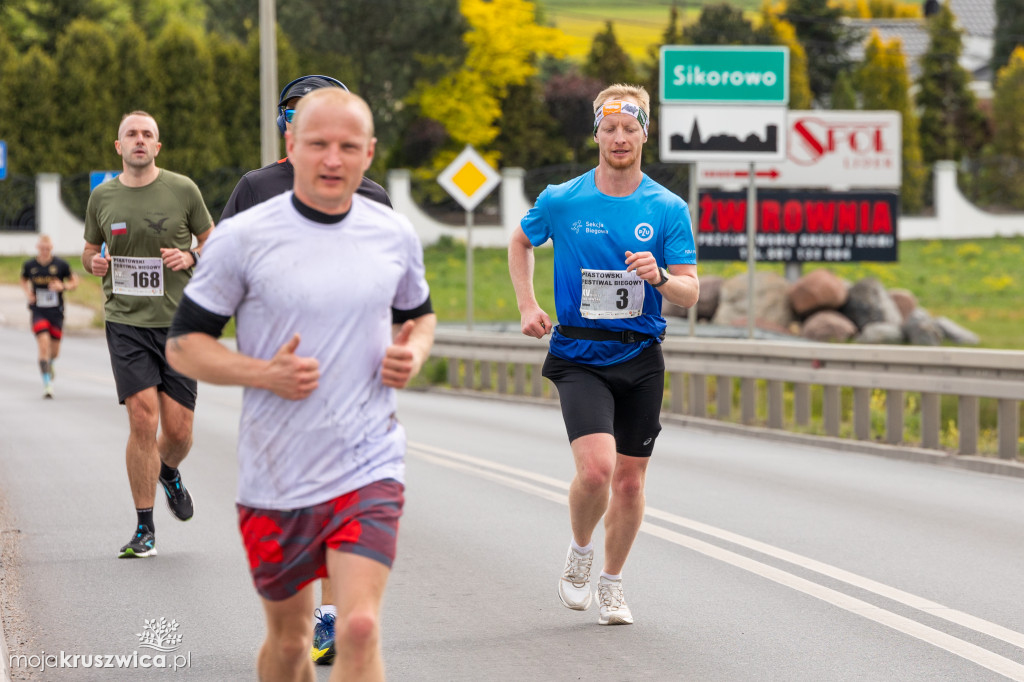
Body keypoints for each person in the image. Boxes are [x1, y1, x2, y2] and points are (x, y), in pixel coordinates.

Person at [166, 87, 435, 682]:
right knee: (289, 644)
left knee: (357, 629)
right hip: (277, 473)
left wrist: (411, 352)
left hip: (368, 461)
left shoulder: (393, 234)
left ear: (369, 153)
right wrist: (263, 373)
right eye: (318, 144)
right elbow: (184, 345)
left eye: (347, 146)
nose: (332, 159)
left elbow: (419, 315)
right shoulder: (243, 236)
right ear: (291, 145)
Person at [508, 83, 699, 626]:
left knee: (631, 482)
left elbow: (690, 292)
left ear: (644, 133)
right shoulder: (563, 199)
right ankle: (580, 552)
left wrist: (660, 276)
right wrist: (528, 305)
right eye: (609, 128)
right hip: (579, 353)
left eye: (630, 128)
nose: (620, 138)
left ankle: (612, 584)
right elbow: (520, 242)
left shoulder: (667, 208)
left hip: (640, 355)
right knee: (596, 471)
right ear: (596, 132)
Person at [220, 75, 394, 664]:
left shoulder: (374, 198)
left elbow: (397, 292)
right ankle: (310, 620)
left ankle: (335, 617)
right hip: (283, 400)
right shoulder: (255, 188)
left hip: (358, 400)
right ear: (284, 125)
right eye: (295, 114)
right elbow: (220, 276)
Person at [82, 111, 214, 559]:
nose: (139, 140)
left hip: (179, 324)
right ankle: (145, 529)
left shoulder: (183, 190)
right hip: (126, 322)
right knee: (143, 418)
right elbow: (87, 249)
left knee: (178, 432)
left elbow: (212, 239)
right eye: (131, 134)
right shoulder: (102, 196)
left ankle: (169, 470)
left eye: (147, 135)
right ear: (118, 146)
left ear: (158, 147)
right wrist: (93, 263)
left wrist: (190, 256)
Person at [20, 234, 80, 398]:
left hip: (56, 312)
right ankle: (48, 385)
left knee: (54, 352)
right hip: (38, 310)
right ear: (38, 247)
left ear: (51, 248)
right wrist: (28, 293)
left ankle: (50, 363)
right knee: (43, 343)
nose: (45, 251)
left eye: (48, 248)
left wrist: (63, 286)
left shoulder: (61, 265)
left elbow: (75, 281)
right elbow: (23, 279)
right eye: (42, 248)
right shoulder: (30, 265)